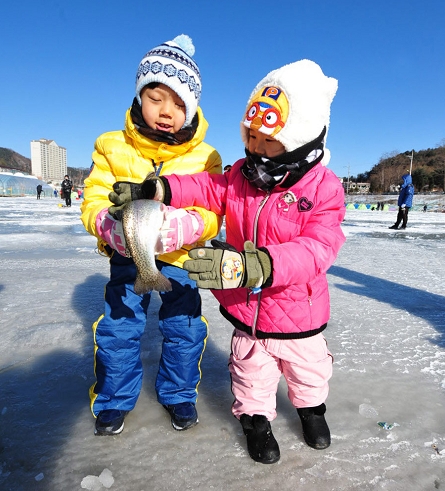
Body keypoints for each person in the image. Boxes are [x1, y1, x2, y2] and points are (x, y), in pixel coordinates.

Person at [111, 59, 346, 463]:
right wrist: (161, 187)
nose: (255, 148)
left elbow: (319, 247)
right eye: (251, 136)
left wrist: (261, 265)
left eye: (269, 141)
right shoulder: (241, 174)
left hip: (298, 312)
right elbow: (205, 186)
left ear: (301, 139)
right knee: (250, 372)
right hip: (247, 308)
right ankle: (256, 421)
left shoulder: (324, 188)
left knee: (308, 372)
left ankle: (311, 411)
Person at [80, 34, 222, 437]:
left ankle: (178, 393)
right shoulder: (111, 145)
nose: (166, 112)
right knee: (119, 328)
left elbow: (213, 209)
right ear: (140, 95)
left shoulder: (206, 157)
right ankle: (113, 400)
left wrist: (191, 225)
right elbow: (92, 200)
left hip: (181, 260)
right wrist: (108, 226)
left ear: (192, 107)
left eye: (179, 104)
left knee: (185, 326)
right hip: (129, 257)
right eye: (156, 97)